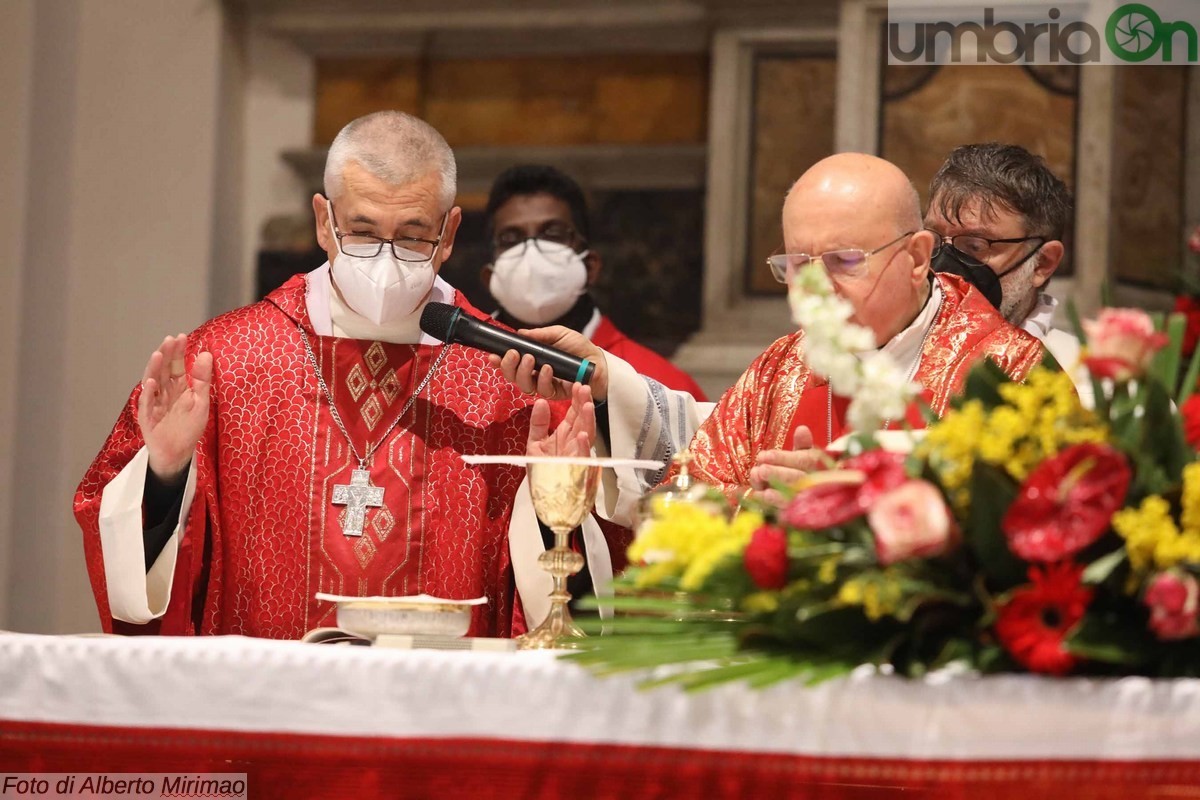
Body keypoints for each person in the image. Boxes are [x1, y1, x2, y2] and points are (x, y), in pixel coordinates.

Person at [74, 111, 596, 639]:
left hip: (435, 706)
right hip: (266, 702)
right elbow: (122, 547)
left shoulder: (504, 379)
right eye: (363, 232)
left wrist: (558, 506)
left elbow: (561, 597)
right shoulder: (227, 362)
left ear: (450, 233)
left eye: (413, 236)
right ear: (324, 222)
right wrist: (166, 476)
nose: (386, 261)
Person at [501, 154, 1044, 506]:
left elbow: (1042, 527)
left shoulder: (1007, 371)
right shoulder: (779, 370)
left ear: (918, 256)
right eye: (796, 266)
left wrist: (856, 500)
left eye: (843, 261)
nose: (815, 290)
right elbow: (679, 500)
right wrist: (748, 510)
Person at [481, 164, 706, 399]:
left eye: (553, 233)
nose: (531, 253)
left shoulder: (662, 386)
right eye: (510, 238)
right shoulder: (453, 372)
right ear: (490, 277)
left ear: (590, 267)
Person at [924, 142, 1078, 370]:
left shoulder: (1082, 382)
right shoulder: (878, 364)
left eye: (975, 246)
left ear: (1043, 263)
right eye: (934, 240)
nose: (944, 268)